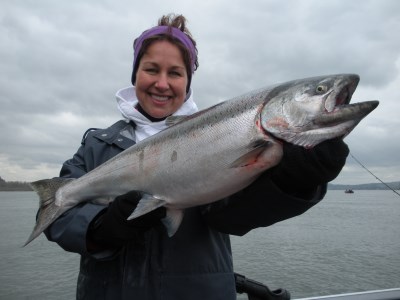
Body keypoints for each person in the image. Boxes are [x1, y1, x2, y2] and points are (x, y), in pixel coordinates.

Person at [44, 14, 349, 300]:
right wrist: (102, 228)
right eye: (151, 69)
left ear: (187, 81)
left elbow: (235, 213)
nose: (161, 83)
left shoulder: (224, 138)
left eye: (175, 73)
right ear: (135, 73)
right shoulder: (97, 144)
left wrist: (292, 184)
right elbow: (58, 218)